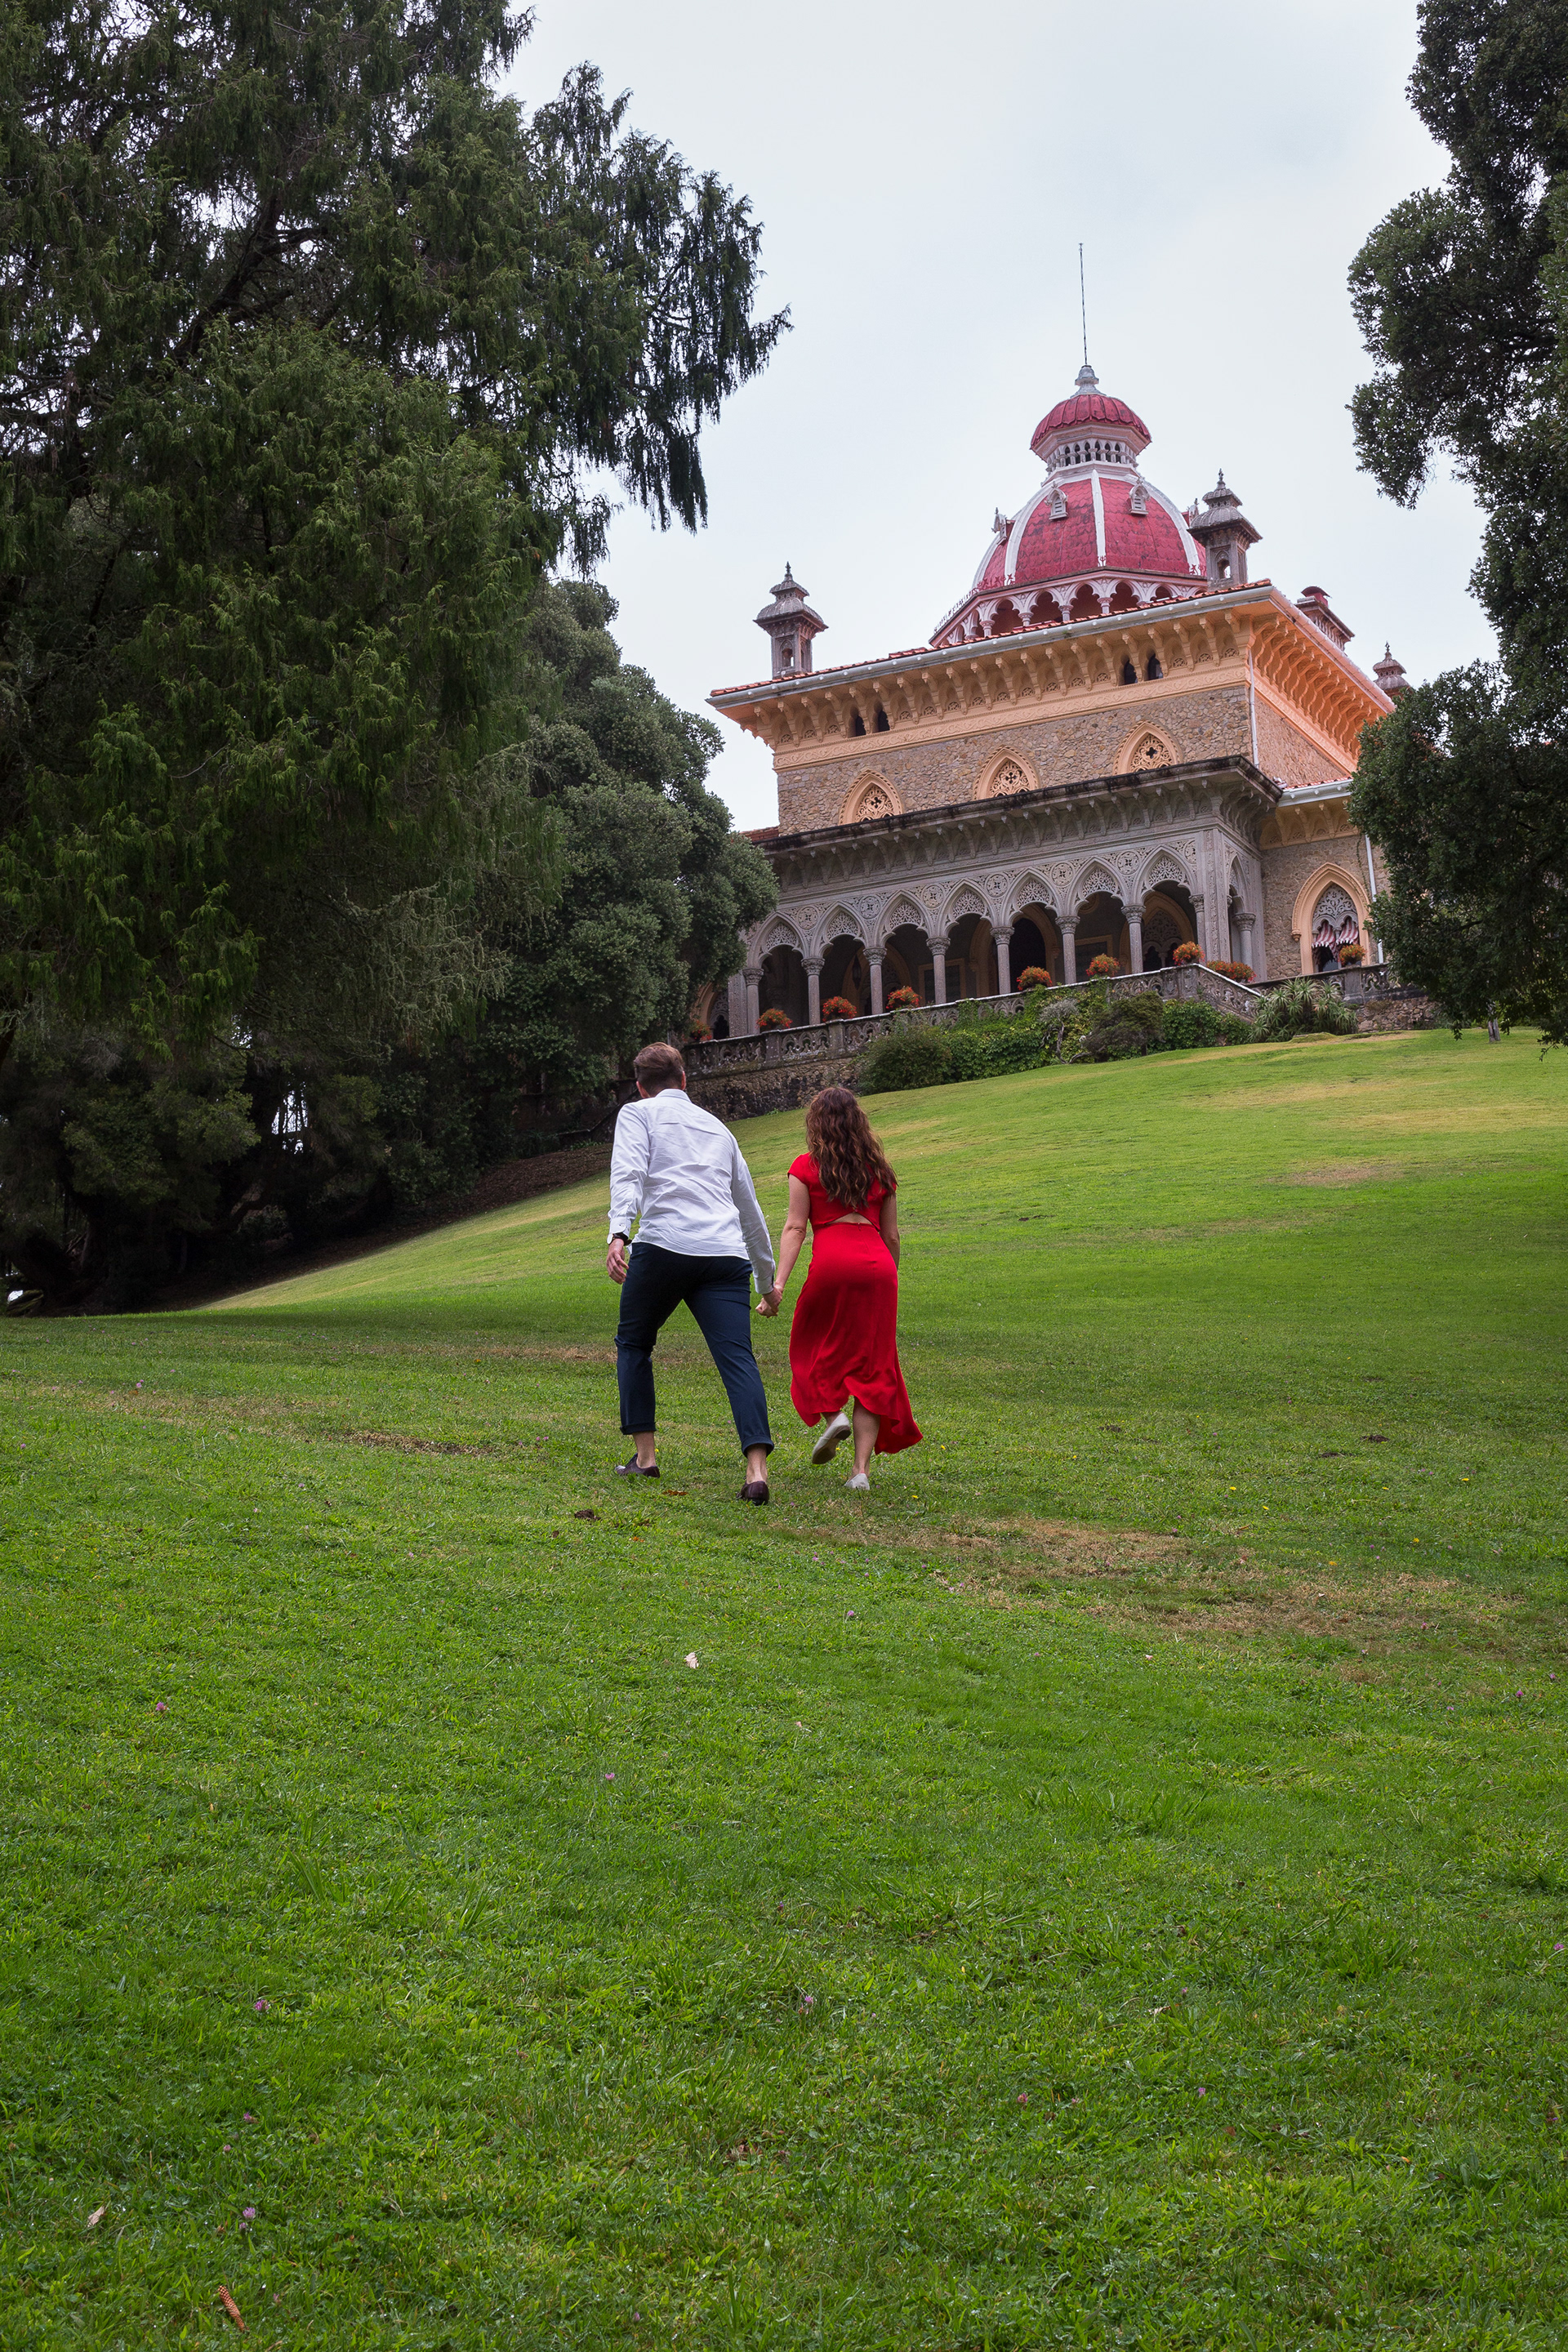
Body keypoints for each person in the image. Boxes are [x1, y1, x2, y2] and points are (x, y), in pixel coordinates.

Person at [606, 1041, 777, 1504]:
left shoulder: (637, 1114)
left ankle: (645, 1458)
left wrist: (619, 1233)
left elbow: (628, 1174)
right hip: (724, 1255)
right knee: (737, 1357)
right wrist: (767, 1283)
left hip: (664, 1246)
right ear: (684, 1080)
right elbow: (749, 1210)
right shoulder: (720, 1130)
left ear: (641, 1087)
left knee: (634, 1343)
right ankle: (756, 1471)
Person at [756, 1085, 920, 1490]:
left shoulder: (805, 1167)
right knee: (874, 1366)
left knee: (809, 1344)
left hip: (833, 1261)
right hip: (879, 1266)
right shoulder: (880, 1169)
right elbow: (892, 1235)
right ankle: (860, 1472)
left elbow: (796, 1227)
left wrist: (778, 1284)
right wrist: (887, 1280)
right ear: (858, 1121)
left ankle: (834, 1417)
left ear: (816, 1124)